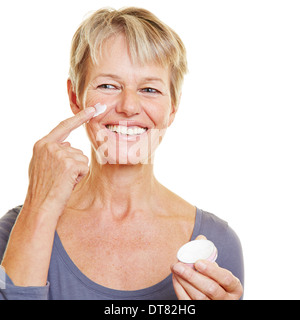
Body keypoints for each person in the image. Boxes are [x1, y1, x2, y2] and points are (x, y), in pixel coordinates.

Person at [0, 7, 244, 300]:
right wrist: (39, 207)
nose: (129, 106)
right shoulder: (18, 229)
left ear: (173, 108)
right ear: (75, 98)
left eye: (150, 90)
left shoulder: (219, 243)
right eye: (108, 85)